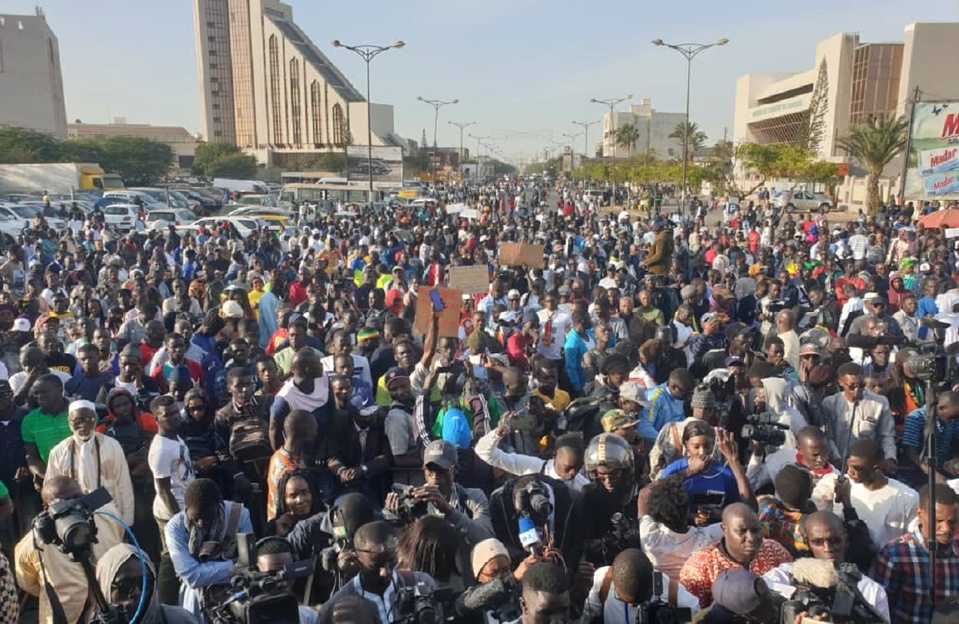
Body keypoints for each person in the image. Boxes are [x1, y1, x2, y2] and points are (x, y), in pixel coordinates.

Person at [14, 475, 125, 624]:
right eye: (63, 503)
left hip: (111, 605)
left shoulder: (107, 513)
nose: (73, 506)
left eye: (77, 498)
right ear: (46, 508)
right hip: (66, 616)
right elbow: (25, 580)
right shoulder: (36, 540)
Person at [762, 510, 890, 621]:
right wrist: (800, 596)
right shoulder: (789, 572)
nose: (828, 548)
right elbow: (760, 587)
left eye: (835, 541)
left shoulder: (870, 590)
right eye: (818, 542)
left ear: (845, 539)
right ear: (808, 543)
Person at [322, 520, 443, 623]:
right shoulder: (339, 606)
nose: (385, 572)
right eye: (375, 566)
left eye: (391, 562)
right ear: (356, 559)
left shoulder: (421, 583)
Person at [165, 478, 253, 618]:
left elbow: (248, 566)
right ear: (186, 509)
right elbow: (192, 577)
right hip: (196, 595)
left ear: (219, 504)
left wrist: (203, 571)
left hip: (235, 588)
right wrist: (232, 566)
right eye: (196, 518)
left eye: (208, 518)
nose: (201, 523)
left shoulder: (239, 515)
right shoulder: (175, 528)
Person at [679, 503, 793, 608]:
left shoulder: (774, 550)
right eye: (741, 532)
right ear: (724, 530)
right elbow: (691, 614)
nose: (751, 538)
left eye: (755, 530)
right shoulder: (700, 567)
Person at [875, 484, 959, 624]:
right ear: (920, 514)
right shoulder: (895, 554)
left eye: (952, 522)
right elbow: (882, 610)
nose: (946, 529)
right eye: (938, 521)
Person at [385, 439, 494, 545]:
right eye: (430, 471)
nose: (435, 476)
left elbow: (487, 538)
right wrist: (399, 521)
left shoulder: (473, 498)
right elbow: (399, 546)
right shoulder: (413, 503)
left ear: (455, 470)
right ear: (424, 471)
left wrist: (449, 511)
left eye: (441, 470)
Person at [45, 399, 135, 524]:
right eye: (77, 420)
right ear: (69, 422)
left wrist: (127, 520)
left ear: (95, 420)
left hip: (111, 516)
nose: (83, 424)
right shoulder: (58, 452)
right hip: (75, 520)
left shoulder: (112, 445)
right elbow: (51, 491)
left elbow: (124, 484)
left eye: (89, 419)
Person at [581, 548, 699, 624]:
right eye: (623, 600)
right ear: (614, 583)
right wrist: (577, 591)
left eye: (640, 601)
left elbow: (698, 615)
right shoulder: (604, 581)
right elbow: (580, 619)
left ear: (653, 581)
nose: (631, 606)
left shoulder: (672, 593)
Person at [639, 475, 724, 579]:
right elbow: (739, 519)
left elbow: (643, 494)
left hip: (661, 588)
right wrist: (719, 514)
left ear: (656, 515)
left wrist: (687, 472)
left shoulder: (650, 539)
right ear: (688, 511)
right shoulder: (707, 538)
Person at [93, 543, 199, 624]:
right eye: (125, 586)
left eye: (144, 583)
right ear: (104, 588)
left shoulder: (179, 620)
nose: (137, 592)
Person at [745, 425, 841, 512]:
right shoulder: (781, 458)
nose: (821, 459)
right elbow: (752, 483)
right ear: (800, 449)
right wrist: (758, 452)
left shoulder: (834, 478)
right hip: (777, 519)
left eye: (825, 453)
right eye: (815, 455)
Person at [846, 438, 919, 550]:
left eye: (857, 468)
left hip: (889, 559)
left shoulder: (908, 498)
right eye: (848, 466)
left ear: (876, 469)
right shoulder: (844, 487)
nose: (849, 472)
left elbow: (913, 540)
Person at [823, 362, 897, 470]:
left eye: (861, 386)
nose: (857, 390)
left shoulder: (880, 402)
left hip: (869, 464)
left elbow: (887, 435)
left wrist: (890, 457)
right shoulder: (829, 403)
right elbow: (828, 437)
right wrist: (836, 459)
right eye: (852, 386)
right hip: (840, 464)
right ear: (841, 382)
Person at [475, 427, 588, 492]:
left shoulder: (583, 487)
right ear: (554, 456)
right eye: (568, 467)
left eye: (578, 468)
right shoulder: (532, 467)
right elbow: (484, 453)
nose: (573, 473)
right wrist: (496, 435)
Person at [455, 538, 535, 624]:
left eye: (505, 570)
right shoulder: (471, 598)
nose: (501, 576)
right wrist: (511, 578)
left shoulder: (521, 589)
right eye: (494, 573)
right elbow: (463, 604)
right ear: (479, 576)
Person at [21, 373, 72, 485]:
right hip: (53, 481)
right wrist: (44, 477)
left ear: (60, 389)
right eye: (36, 393)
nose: (39, 396)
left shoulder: (79, 412)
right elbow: (32, 457)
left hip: (85, 474)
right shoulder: (29, 420)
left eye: (44, 392)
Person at [266, 409, 317, 520]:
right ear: (307, 432)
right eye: (314, 429)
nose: (316, 434)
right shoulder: (290, 471)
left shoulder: (278, 456)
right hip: (287, 525)